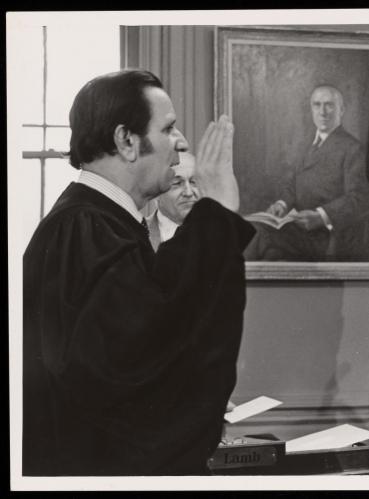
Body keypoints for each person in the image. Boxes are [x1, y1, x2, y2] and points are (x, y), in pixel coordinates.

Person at [23, 69, 255, 476]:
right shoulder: (84, 229)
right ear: (126, 141)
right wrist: (215, 213)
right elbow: (139, 366)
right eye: (168, 128)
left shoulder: (98, 224)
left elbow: (149, 333)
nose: (181, 142)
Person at [244, 84, 369, 262]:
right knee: (261, 242)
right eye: (317, 105)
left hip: (327, 235)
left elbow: (358, 198)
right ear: (311, 109)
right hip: (297, 226)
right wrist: (282, 204)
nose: (323, 112)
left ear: (342, 109)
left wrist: (321, 217)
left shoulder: (352, 148)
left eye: (329, 105)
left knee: (258, 233)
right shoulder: (306, 145)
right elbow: (293, 184)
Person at [146, 151, 199, 251]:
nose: (188, 193)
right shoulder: (135, 234)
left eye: (194, 182)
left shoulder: (222, 235)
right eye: (177, 183)